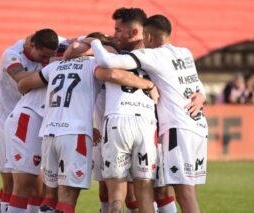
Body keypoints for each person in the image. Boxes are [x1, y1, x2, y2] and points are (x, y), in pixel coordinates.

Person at [17, 37, 157, 213]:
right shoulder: (93, 65)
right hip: (75, 134)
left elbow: (23, 84)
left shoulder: (54, 67)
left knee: (50, 195)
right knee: (68, 194)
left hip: (49, 133)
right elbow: (113, 74)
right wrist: (148, 85)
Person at [87, 14, 208, 213]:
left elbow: (107, 63)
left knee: (183, 193)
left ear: (148, 37)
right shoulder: (184, 52)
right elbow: (196, 85)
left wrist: (94, 42)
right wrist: (202, 95)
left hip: (175, 127)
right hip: (197, 125)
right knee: (171, 191)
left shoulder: (151, 56)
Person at [109, 7, 177, 213]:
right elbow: (108, 71)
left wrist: (199, 93)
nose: (114, 34)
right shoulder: (116, 53)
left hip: (152, 126)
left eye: (118, 30)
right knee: (130, 191)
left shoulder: (159, 56)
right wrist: (146, 84)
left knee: (160, 189)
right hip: (128, 123)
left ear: (136, 32)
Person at [0, 29, 59, 213]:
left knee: (35, 188)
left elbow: (80, 42)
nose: (46, 60)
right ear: (32, 45)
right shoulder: (12, 55)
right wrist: (54, 71)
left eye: (49, 57)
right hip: (6, 122)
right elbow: (21, 80)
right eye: (43, 56)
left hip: (32, 123)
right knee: (11, 185)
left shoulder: (53, 42)